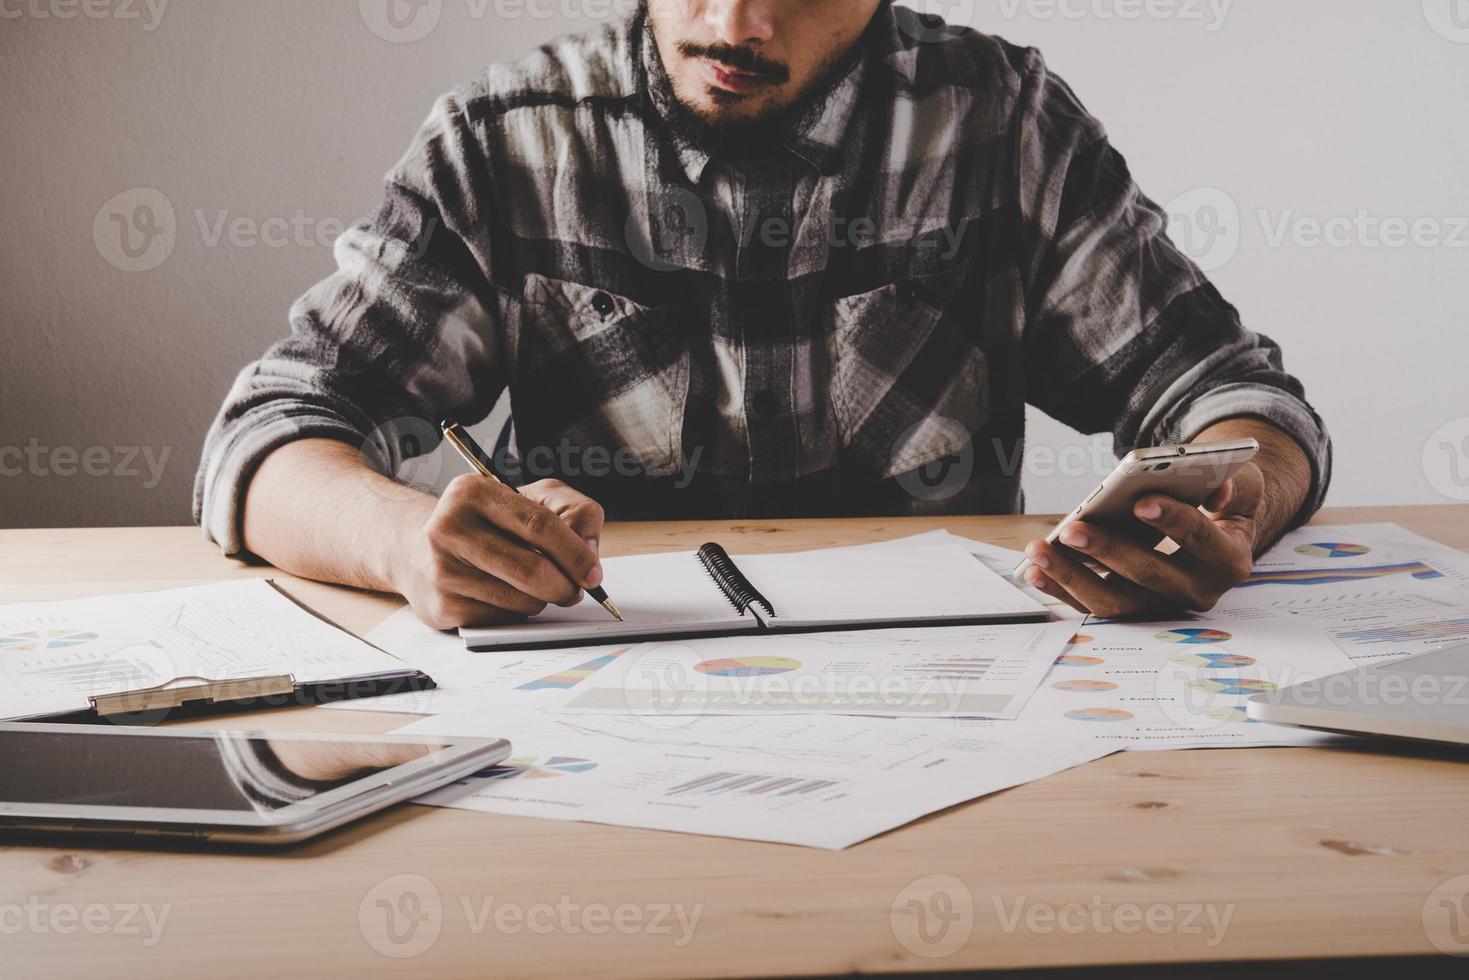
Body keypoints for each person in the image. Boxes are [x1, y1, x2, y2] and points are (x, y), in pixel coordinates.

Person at [195, 0, 1330, 628]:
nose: (738, 21)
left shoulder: (997, 121)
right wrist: (404, 540)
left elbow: (1239, 401)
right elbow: (263, 437)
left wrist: (1226, 510)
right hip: (587, 708)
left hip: (958, 715)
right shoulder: (507, 135)